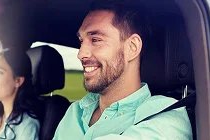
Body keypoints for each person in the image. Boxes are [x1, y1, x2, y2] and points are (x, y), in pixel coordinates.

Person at [53, 1, 192, 140]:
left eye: (95, 40)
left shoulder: (167, 118)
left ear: (132, 47)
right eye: (81, 41)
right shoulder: (76, 111)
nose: (81, 53)